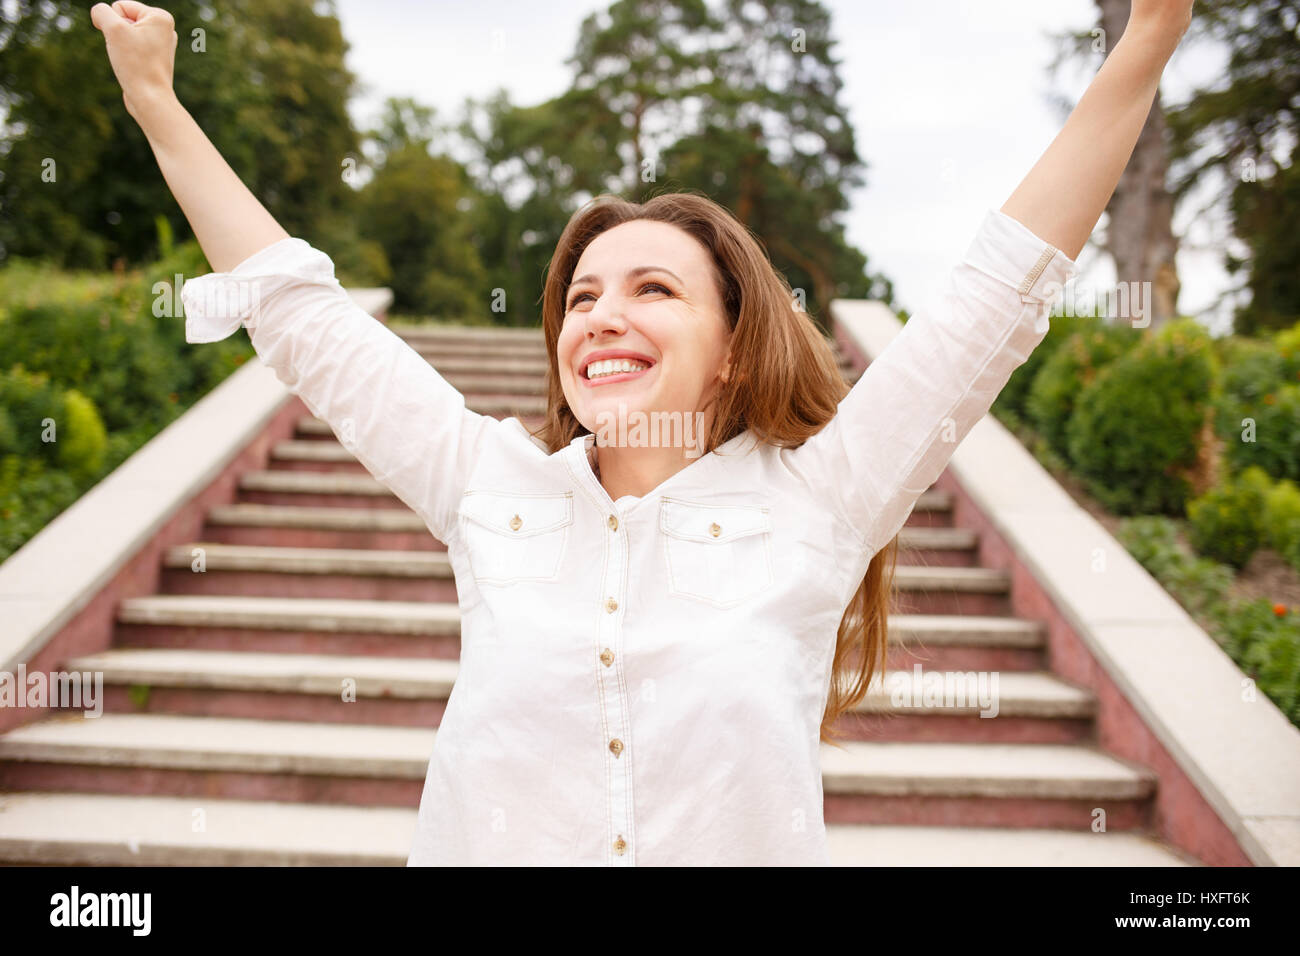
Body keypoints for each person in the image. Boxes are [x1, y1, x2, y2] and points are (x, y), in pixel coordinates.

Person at [91, 0, 1195, 866]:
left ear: (731, 343)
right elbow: (299, 315)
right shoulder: (489, 486)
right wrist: (156, 104)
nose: (602, 315)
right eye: (579, 297)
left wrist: (1147, 37)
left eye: (652, 288)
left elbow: (992, 295)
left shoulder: (819, 502)